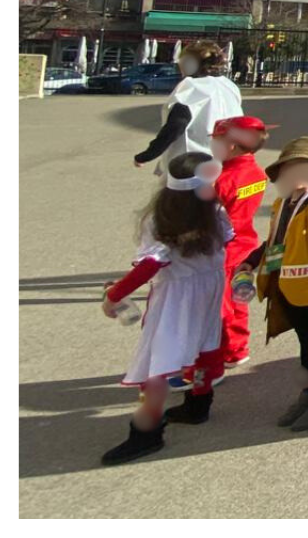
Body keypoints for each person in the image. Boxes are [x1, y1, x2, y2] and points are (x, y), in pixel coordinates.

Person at [98, 153, 231, 465]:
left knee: (156, 366)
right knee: (204, 349)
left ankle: (146, 434)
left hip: (175, 297)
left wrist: (113, 296)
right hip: (209, 289)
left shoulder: (160, 219)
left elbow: (149, 266)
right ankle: (198, 405)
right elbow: (227, 241)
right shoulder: (215, 211)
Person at [245, 136, 308, 432]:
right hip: (289, 286)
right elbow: (275, 241)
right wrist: (251, 261)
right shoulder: (283, 203)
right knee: (307, 341)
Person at [208, 116, 273, 370]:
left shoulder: (221, 180)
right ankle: (238, 347)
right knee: (238, 299)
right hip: (244, 244)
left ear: (232, 146)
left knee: (220, 304)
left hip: (223, 249)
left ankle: (221, 352)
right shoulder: (256, 172)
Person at [133, 40, 243, 177]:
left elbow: (176, 125)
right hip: (225, 163)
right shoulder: (229, 86)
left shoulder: (191, 87)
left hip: (190, 166)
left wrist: (147, 155)